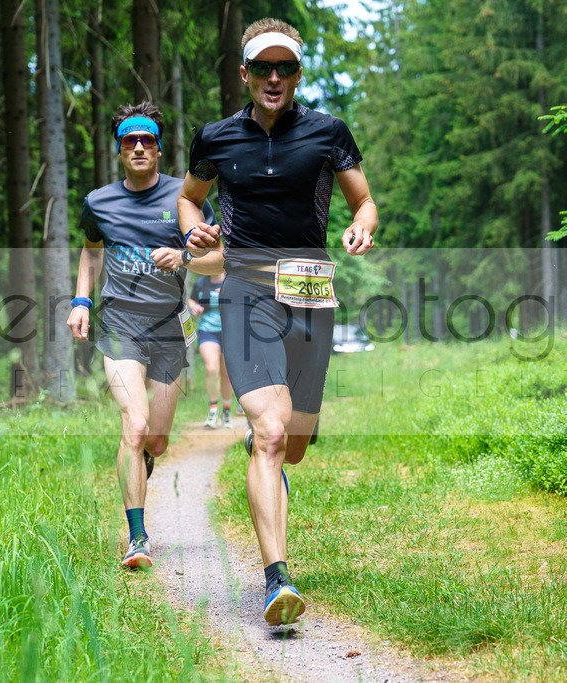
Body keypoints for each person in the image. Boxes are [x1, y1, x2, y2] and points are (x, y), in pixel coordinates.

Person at [179, 18, 378, 626]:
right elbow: (188, 198)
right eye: (263, 67)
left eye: (284, 67)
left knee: (292, 446)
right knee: (269, 431)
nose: (273, 77)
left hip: (311, 292)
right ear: (245, 73)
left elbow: (363, 200)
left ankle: (271, 438)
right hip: (245, 289)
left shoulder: (327, 132)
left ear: (297, 74)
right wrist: (194, 231)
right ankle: (276, 579)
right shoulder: (215, 138)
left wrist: (362, 225)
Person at [67, 102, 221, 570]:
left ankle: (142, 460)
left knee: (156, 441)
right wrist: (81, 301)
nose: (138, 147)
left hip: (170, 327)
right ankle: (138, 538)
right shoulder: (99, 202)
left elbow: (221, 256)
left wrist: (185, 258)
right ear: (119, 150)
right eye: (129, 141)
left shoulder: (185, 199)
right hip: (121, 324)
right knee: (134, 425)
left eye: (147, 140)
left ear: (158, 148)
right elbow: (92, 251)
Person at [187, 272, 238, 428]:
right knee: (211, 369)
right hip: (207, 330)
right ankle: (213, 410)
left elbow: (243, 302)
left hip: (230, 331)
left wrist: (228, 295)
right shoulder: (201, 283)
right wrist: (193, 306)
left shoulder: (232, 280)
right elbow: (191, 299)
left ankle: (226, 410)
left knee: (227, 374)